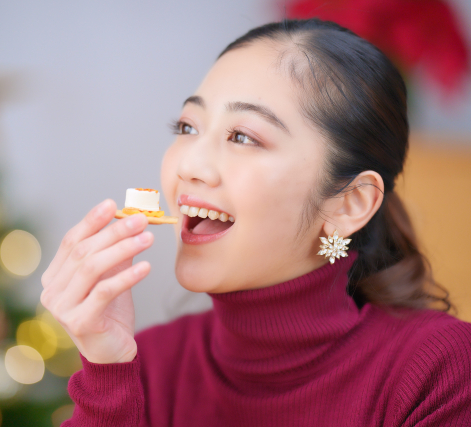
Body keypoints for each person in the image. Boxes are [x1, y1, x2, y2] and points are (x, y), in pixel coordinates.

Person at [40, 19, 471, 426]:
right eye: (188, 126)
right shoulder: (140, 366)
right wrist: (105, 375)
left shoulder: (439, 370)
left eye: (243, 137)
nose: (190, 164)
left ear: (350, 204)